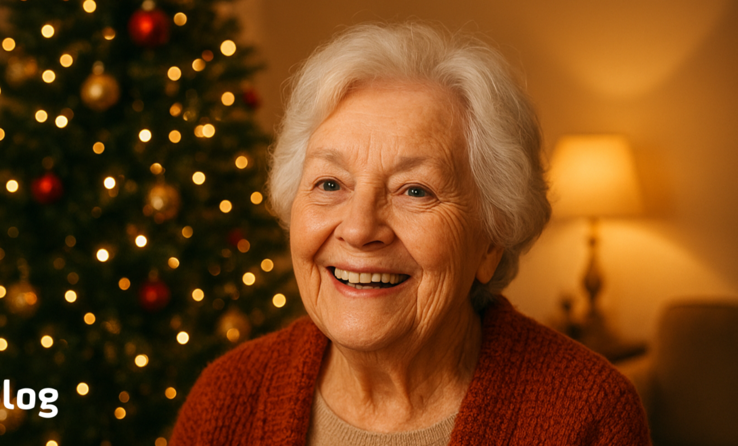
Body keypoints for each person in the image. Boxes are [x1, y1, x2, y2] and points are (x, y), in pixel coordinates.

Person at [171, 22, 650, 445]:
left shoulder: (587, 416)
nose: (359, 229)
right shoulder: (226, 400)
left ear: (491, 239)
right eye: (330, 184)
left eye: (415, 191)